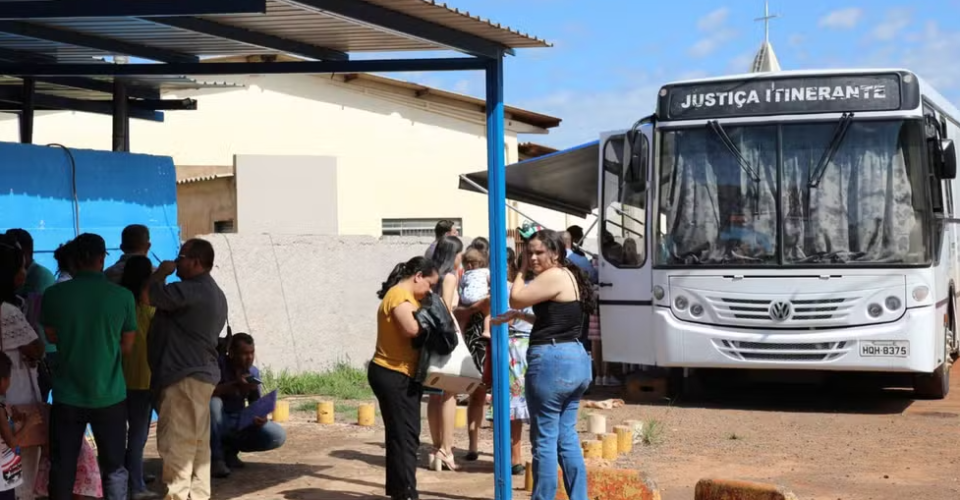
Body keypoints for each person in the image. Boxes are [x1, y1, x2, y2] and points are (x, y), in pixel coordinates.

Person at [40, 233, 137, 500]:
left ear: (74, 258)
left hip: (67, 394)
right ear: (102, 257)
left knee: (62, 467)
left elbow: (51, 336)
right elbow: (127, 347)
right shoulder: (123, 296)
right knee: (115, 469)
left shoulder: (53, 295)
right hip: (111, 395)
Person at [501, 229, 596, 500]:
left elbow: (516, 296)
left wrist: (518, 271)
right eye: (528, 253)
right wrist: (521, 316)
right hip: (575, 359)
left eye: (539, 252)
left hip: (552, 362)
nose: (532, 258)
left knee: (544, 439)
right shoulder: (569, 274)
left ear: (555, 253)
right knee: (566, 437)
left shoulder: (553, 275)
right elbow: (558, 319)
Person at [148, 238, 227, 500]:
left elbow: (149, 295)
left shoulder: (191, 290)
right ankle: (198, 495)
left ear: (195, 261)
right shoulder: (213, 291)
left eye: (181, 257)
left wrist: (160, 273)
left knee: (177, 444)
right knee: (197, 444)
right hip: (199, 375)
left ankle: (177, 496)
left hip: (184, 376)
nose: (177, 261)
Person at [369, 256, 438, 500]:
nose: (429, 290)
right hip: (392, 373)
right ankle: (406, 492)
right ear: (418, 276)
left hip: (402, 374)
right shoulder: (399, 295)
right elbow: (411, 329)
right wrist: (433, 321)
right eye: (429, 284)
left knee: (403, 435)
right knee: (404, 436)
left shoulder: (406, 297)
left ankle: (400, 490)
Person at [0, 238, 46, 500]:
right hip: (14, 394)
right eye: (20, 267)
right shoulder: (7, 311)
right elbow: (35, 349)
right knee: (18, 469)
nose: (24, 273)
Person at [210, 333, 286, 478]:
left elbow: (255, 403)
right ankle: (216, 459)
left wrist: (261, 416)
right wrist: (235, 385)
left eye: (252, 353)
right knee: (214, 404)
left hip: (239, 421)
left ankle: (230, 452)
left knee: (277, 434)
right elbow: (207, 393)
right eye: (244, 353)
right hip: (216, 422)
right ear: (232, 353)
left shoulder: (253, 372)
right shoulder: (218, 365)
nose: (249, 357)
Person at [488, 247, 533, 475]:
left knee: (516, 405)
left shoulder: (508, 288)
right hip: (517, 347)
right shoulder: (516, 288)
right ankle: (514, 456)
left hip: (518, 347)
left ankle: (513, 455)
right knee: (513, 405)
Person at [119, 256, 159, 500]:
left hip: (118, 378)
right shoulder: (149, 310)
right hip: (143, 378)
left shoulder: (121, 305)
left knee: (123, 434)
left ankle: (134, 475)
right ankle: (136, 485)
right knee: (138, 434)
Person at [426, 235, 463, 471]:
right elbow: (446, 309)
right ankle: (446, 449)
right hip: (445, 336)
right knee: (450, 394)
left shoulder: (430, 275)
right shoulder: (449, 277)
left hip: (429, 336)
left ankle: (435, 447)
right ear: (453, 255)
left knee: (433, 394)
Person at [0, 352, 43, 500]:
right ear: (2, 381)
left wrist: (13, 414)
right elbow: (11, 442)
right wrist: (29, 424)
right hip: (2, 475)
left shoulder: (3, 405)